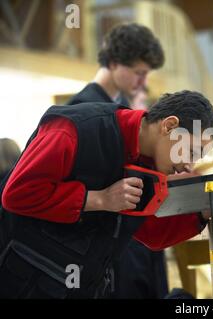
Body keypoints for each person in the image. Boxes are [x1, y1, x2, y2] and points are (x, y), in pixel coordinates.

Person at [0, 90, 213, 298]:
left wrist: (201, 213)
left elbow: (149, 233)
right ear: (170, 126)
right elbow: (17, 193)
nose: (188, 166)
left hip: (75, 286)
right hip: (21, 281)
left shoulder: (150, 163)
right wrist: (99, 199)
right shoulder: (75, 129)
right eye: (192, 152)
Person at [67, 23, 169, 299]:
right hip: (99, 240)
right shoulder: (83, 109)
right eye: (138, 73)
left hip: (121, 234)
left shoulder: (117, 106)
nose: (142, 82)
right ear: (113, 63)